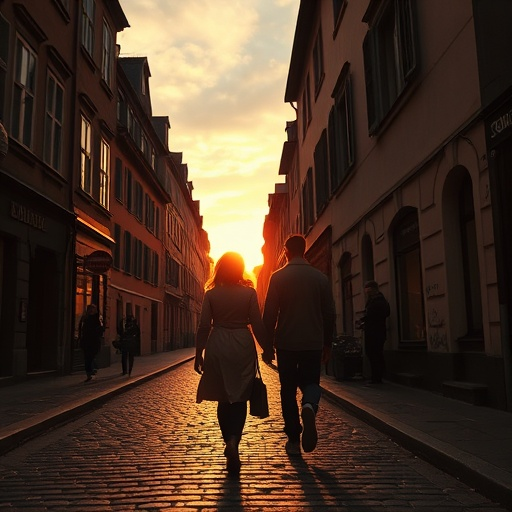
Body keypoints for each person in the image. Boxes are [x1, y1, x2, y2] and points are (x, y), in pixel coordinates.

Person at [194, 252, 274, 475]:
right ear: (240, 269)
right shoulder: (249, 293)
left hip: (218, 341)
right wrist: (267, 347)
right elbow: (257, 324)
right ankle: (234, 441)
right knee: (239, 397)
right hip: (241, 343)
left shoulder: (211, 294)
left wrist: (198, 352)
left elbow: (203, 326)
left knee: (222, 397)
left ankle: (227, 441)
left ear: (219, 269)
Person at [263, 234, 335, 456]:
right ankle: (309, 407)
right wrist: (327, 343)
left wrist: (267, 346)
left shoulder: (277, 277)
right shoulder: (320, 278)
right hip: (312, 342)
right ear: (304, 250)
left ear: (285, 251)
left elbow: (269, 315)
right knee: (311, 382)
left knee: (287, 390)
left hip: (286, 343)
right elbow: (329, 314)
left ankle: (293, 438)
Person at [359, 280, 390, 384]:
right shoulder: (374, 300)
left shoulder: (379, 301)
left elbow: (378, 314)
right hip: (373, 331)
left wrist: (366, 319)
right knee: (373, 353)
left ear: (373, 290)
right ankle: (376, 376)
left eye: (368, 291)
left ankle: (377, 377)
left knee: (375, 354)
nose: (367, 293)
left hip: (376, 332)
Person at [78, 304, 104, 382]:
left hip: (94, 341)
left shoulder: (97, 318)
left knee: (91, 357)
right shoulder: (85, 318)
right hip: (86, 341)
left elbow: (101, 329)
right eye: (90, 309)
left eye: (93, 309)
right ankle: (89, 373)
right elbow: (81, 328)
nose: (91, 311)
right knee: (87, 358)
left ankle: (92, 371)